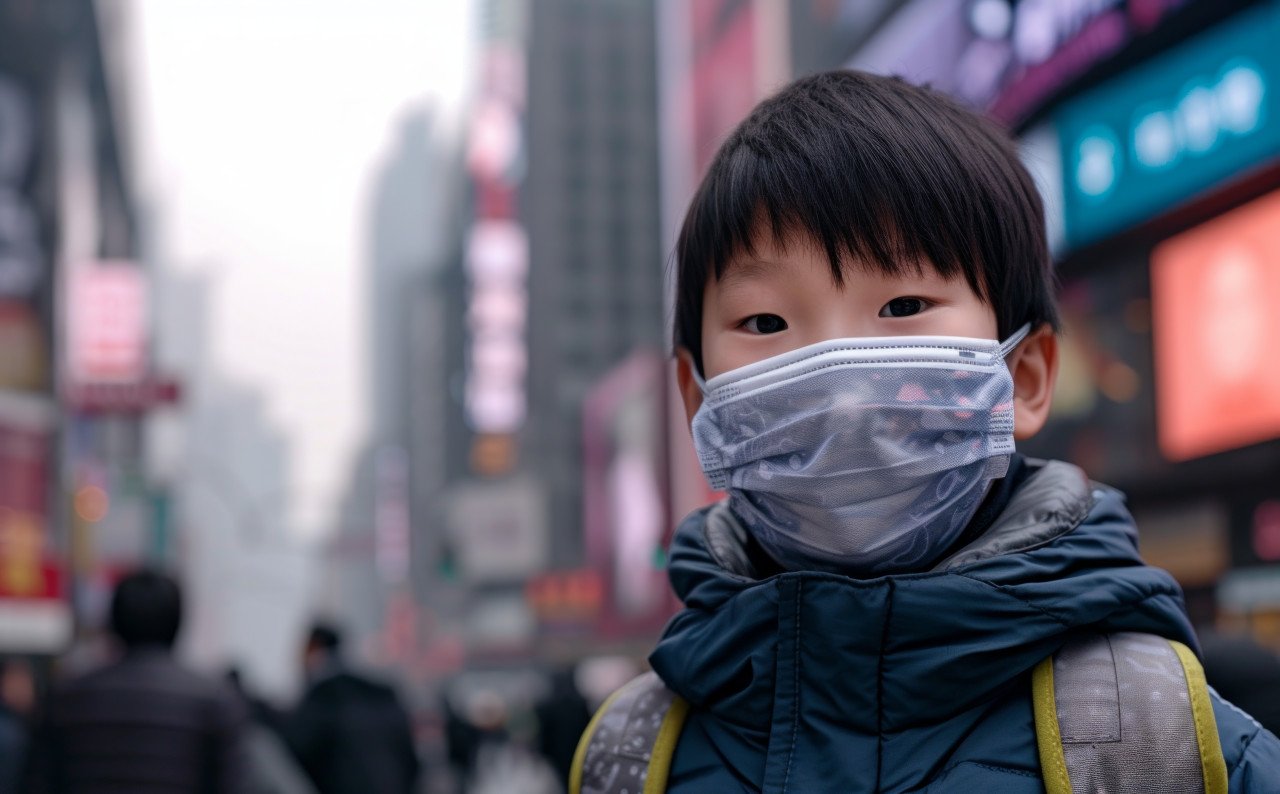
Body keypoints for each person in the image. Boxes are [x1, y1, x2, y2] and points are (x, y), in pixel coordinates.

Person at [574, 70, 1280, 792]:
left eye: (905, 304)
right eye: (765, 323)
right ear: (698, 398)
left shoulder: (1163, 743)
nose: (846, 400)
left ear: (1026, 376)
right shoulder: (628, 758)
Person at [24, 569, 245, 792]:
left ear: (114, 620)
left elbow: (37, 783)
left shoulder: (67, 697)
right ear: (178, 621)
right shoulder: (214, 700)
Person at [281, 623, 419, 794]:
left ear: (313, 647)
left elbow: (296, 752)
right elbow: (412, 765)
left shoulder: (324, 697)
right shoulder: (382, 696)